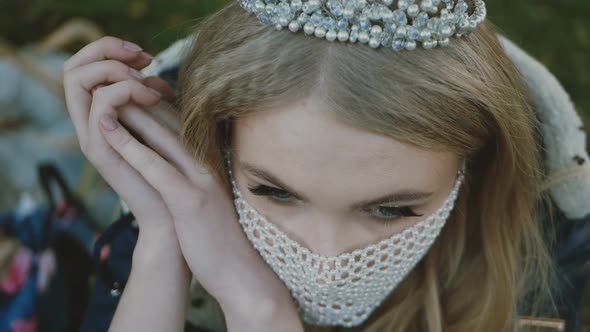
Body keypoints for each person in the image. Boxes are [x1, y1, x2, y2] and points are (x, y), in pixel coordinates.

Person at [63, 0, 577, 331]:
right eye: (276, 193)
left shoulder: (532, 266)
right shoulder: (185, 214)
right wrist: (162, 239)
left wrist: (258, 309)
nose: (327, 260)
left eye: (391, 209)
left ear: (474, 167)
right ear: (217, 147)